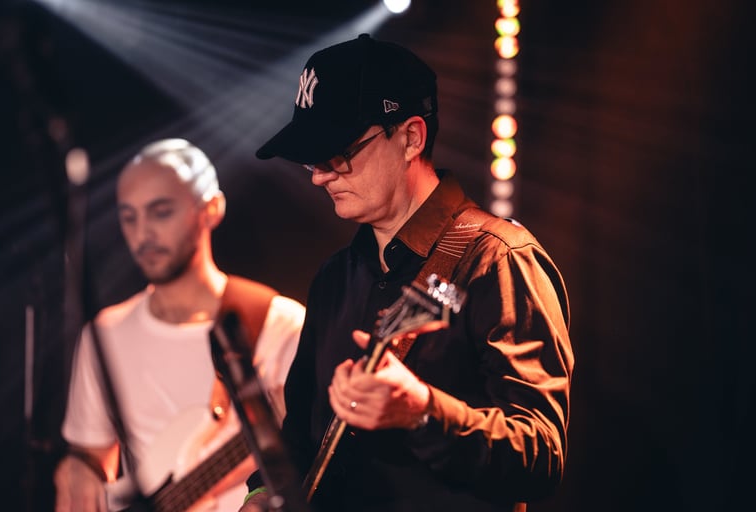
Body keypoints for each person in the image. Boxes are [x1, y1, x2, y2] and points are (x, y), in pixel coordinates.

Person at [240, 33, 574, 512]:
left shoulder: (499, 259)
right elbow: (297, 439)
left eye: (338, 153)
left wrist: (422, 411)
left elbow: (541, 455)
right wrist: (260, 495)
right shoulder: (334, 279)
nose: (319, 176)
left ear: (411, 138)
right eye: (311, 159)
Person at [53, 138, 306, 512]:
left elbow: (316, 451)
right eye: (129, 216)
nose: (142, 233)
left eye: (160, 212)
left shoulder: (280, 325)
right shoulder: (104, 333)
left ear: (211, 209)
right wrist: (77, 468)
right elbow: (91, 459)